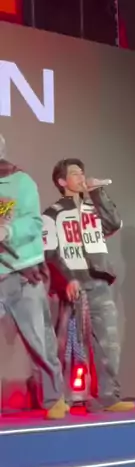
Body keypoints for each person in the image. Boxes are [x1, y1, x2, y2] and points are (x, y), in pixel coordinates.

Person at [42, 158, 135, 413]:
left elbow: (114, 223)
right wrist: (67, 278)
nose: (81, 177)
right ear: (62, 181)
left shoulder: (93, 207)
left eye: (82, 173)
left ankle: (109, 396)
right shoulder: (52, 214)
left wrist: (97, 192)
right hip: (72, 286)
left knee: (109, 342)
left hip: (99, 282)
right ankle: (63, 398)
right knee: (68, 345)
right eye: (75, 173)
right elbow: (49, 253)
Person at [0, 134, 67, 420]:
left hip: (22, 272)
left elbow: (33, 221)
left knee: (39, 339)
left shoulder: (20, 181)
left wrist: (8, 231)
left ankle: (54, 398)